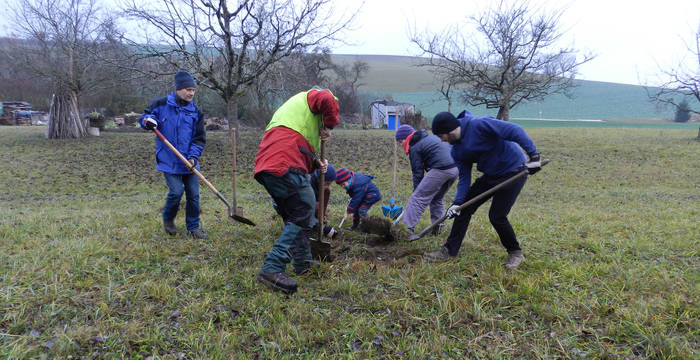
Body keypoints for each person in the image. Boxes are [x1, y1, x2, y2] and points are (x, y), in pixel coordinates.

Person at [423, 110, 542, 269]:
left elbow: (515, 130)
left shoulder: (479, 124)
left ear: (450, 130)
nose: (441, 140)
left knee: (497, 216)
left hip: (514, 171)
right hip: (491, 175)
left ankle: (515, 253)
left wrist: (534, 157)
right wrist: (457, 203)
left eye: (441, 136)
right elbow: (465, 178)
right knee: (463, 209)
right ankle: (449, 251)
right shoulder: (456, 150)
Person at [254, 88, 339, 294]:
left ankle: (303, 263)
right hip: (283, 161)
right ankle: (273, 267)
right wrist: (329, 125)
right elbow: (327, 97)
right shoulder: (314, 96)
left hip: (270, 164)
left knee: (295, 215)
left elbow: (297, 147)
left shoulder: (295, 115)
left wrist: (315, 163)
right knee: (305, 207)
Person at [140, 70, 208, 239]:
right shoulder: (161, 104)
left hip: (189, 160)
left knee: (193, 195)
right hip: (168, 159)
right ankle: (168, 220)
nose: (191, 93)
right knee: (176, 192)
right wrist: (147, 122)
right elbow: (144, 117)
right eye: (188, 89)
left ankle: (194, 228)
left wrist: (193, 157)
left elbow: (199, 139)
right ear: (178, 89)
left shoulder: (196, 112)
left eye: (193, 90)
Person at [394, 124, 458, 240]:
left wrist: (416, 192)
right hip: (455, 168)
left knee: (418, 198)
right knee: (436, 198)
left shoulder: (415, 146)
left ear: (406, 138)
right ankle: (437, 227)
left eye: (400, 141)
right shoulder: (429, 138)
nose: (400, 144)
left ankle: (406, 230)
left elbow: (417, 173)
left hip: (441, 168)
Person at [309, 163, 338, 238]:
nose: (328, 186)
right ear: (320, 179)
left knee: (326, 191)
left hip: (309, 206)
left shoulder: (321, 187)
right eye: (327, 183)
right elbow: (304, 211)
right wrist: (322, 228)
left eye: (330, 183)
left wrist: (321, 216)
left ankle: (318, 219)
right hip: (289, 206)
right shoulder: (307, 184)